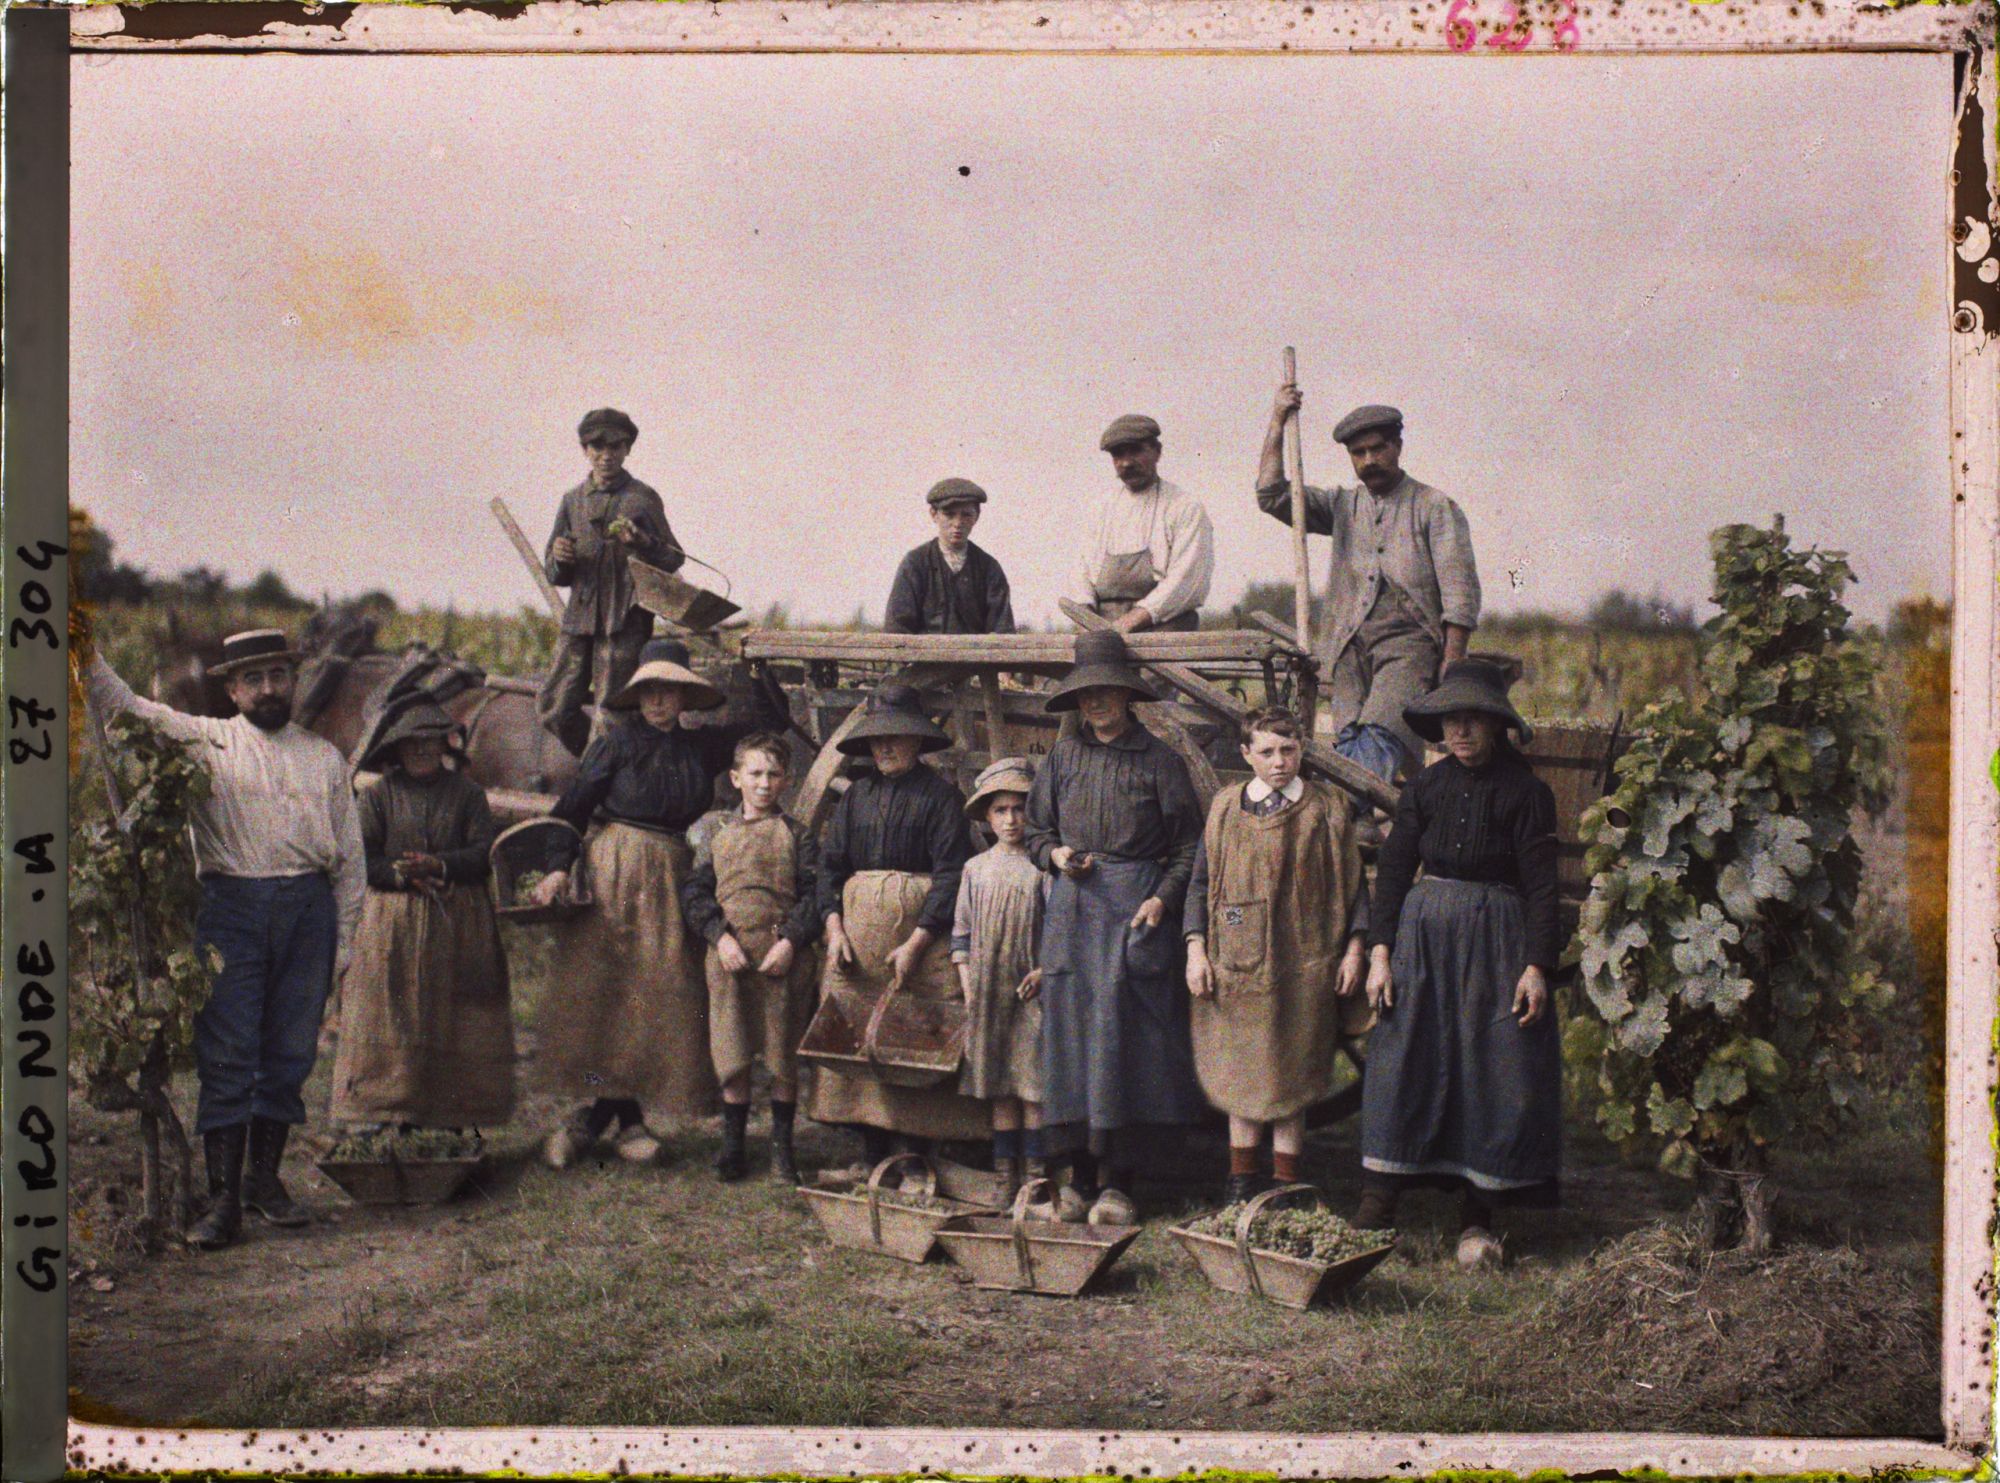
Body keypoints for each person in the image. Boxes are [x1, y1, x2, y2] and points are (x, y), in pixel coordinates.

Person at [86, 628, 366, 1250]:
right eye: (254, 679)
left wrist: (343, 939)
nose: (269, 689)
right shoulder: (206, 741)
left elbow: (350, 861)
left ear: (293, 681)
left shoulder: (323, 758)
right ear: (233, 689)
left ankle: (264, 1181)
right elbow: (126, 707)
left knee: (291, 1051)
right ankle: (223, 1201)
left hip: (308, 910)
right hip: (234, 907)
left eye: (278, 676)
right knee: (230, 1049)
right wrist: (84, 652)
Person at [1357, 659, 1561, 1267]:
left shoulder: (1528, 793)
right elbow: (1393, 872)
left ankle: (1476, 1219)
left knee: (1490, 1065)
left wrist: (1535, 967)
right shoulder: (1424, 789)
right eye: (1451, 721)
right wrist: (1379, 952)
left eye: (1473, 720)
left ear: (1497, 725)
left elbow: (1542, 887)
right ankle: (1378, 1204)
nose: (1461, 732)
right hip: (1422, 938)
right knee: (1404, 1055)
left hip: (1496, 941)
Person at [527, 638, 756, 1167]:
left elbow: (761, 721)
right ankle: (618, 1122)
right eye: (650, 692)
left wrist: (756, 664)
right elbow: (572, 809)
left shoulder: (701, 748)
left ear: (684, 698)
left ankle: (603, 1120)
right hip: (616, 869)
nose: (658, 703)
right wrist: (559, 866)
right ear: (638, 697)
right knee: (610, 992)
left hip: (673, 872)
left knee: (657, 993)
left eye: (669, 692)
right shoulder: (616, 743)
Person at [1026, 629, 1206, 1223]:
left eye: (1105, 692)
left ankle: (1121, 1185)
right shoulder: (1061, 759)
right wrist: (1054, 855)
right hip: (1072, 915)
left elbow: (1188, 850)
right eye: (1085, 694)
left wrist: (1161, 900)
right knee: (1073, 1040)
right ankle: (1077, 1179)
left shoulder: (1160, 762)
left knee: (1127, 1043)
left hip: (1133, 915)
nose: (1095, 704)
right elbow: (1034, 833)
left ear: (1126, 697)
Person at [1184, 709, 1371, 1204]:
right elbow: (1200, 884)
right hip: (1236, 966)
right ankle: (1242, 1186)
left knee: (1294, 1074)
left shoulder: (1326, 810)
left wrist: (1354, 949)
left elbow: (1355, 892)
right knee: (1241, 1075)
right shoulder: (1225, 808)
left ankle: (1286, 1191)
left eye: (1288, 751)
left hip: (1305, 967)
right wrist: (1196, 948)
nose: (1279, 762)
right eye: (1266, 752)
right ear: (1246, 755)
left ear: (1303, 748)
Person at [1255, 392, 1480, 785]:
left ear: (1398, 446)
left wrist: (1453, 657)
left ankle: (1338, 813)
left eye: (1378, 448)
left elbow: (1460, 589)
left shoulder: (1433, 506)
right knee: (1350, 737)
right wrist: (1277, 421)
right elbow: (1272, 495)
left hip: (1408, 646)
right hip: (1347, 647)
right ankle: (1360, 825)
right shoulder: (1342, 505)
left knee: (1380, 734)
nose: (1369, 460)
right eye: (1358, 453)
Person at [808, 684, 988, 1173]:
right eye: (877, 739)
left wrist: (918, 939)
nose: (885, 747)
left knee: (912, 1041)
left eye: (896, 738)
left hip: (917, 943)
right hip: (860, 943)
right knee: (860, 1041)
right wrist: (834, 927)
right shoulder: (855, 799)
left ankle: (916, 1158)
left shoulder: (941, 798)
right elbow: (830, 867)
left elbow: (953, 873)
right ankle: (870, 1155)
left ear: (917, 741)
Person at [331, 700, 515, 1136]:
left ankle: (452, 1116)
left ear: (443, 745)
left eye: (430, 742)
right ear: (397, 750)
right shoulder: (378, 796)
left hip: (457, 918)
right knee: (389, 1011)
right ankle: (386, 1109)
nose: (422, 752)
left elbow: (482, 854)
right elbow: (360, 859)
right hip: (392, 922)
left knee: (454, 1013)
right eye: (412, 744)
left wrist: (440, 865)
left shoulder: (468, 795)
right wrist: (400, 874)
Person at [682, 732, 822, 1185]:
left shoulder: (797, 834)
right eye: (755, 774)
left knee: (782, 1053)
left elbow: (815, 896)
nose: (764, 784)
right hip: (730, 958)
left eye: (774, 774)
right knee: (732, 1048)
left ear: (787, 781)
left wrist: (792, 941)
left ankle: (783, 1149)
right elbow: (696, 893)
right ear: (736, 777)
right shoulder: (716, 833)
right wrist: (719, 938)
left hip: (782, 960)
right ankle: (733, 1146)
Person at [537, 406, 685, 758]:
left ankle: (606, 780)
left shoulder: (642, 498)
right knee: (554, 708)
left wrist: (642, 542)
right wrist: (559, 558)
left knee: (611, 712)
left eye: (615, 447)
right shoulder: (572, 501)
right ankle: (601, 764)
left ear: (627, 449)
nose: (606, 456)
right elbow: (554, 573)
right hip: (580, 618)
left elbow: (674, 557)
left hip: (625, 620)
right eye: (597, 448)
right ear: (584, 450)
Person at [952, 758, 1050, 1205]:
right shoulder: (975, 869)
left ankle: (1036, 1176)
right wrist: (969, 985)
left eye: (1019, 809)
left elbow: (1058, 930)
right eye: (1000, 811)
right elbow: (962, 934)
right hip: (988, 991)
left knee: (1031, 1084)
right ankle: (1004, 1175)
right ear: (987, 818)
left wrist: (1044, 970)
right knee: (998, 1086)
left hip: (1029, 991)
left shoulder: (1043, 869)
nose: (1010, 820)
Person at [1070, 413, 1216, 633]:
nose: (1127, 463)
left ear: (1157, 452)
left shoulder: (1184, 507)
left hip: (1163, 628)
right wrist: (1085, 619)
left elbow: (1187, 581)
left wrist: (1131, 622)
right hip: (1103, 631)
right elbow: (1081, 573)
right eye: (1118, 455)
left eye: (1136, 451)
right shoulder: (1099, 509)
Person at [883, 478, 1017, 635]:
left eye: (966, 515)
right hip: (923, 658)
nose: (958, 523)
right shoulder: (915, 563)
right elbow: (898, 627)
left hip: (976, 658)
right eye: (949, 514)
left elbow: (1002, 628)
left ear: (977, 516)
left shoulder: (989, 567)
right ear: (934, 514)